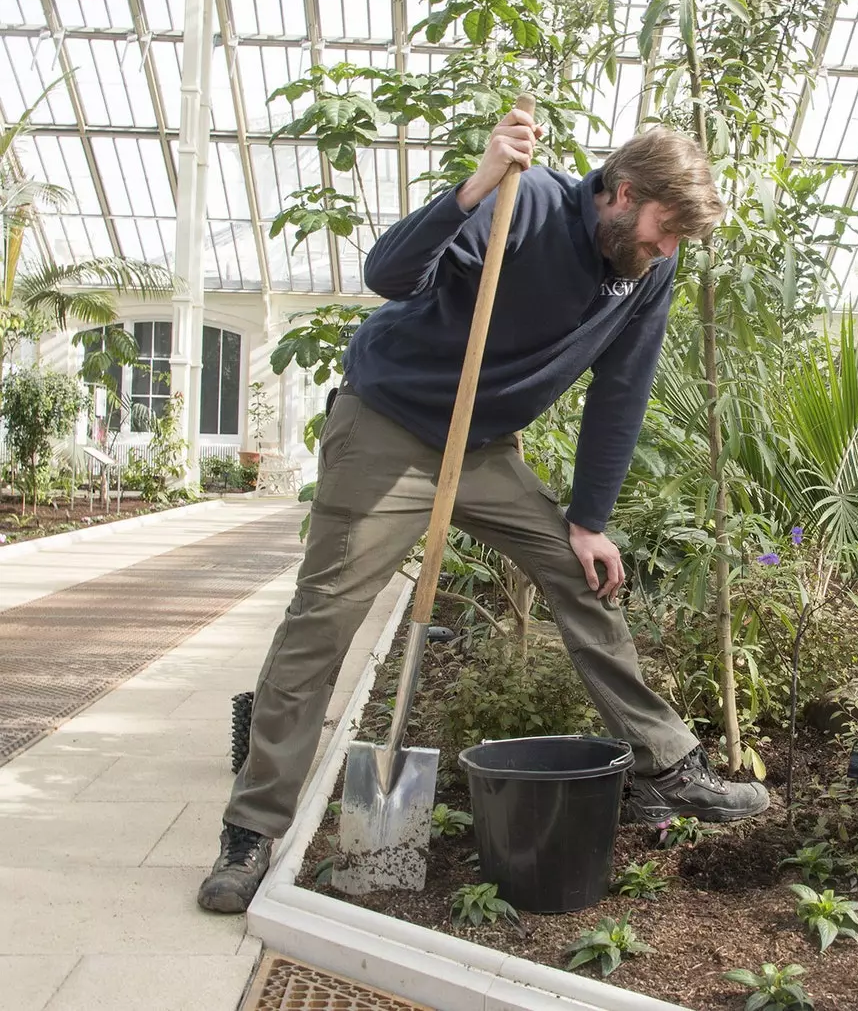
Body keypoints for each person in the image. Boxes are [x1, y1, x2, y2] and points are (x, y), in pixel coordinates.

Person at [197, 107, 769, 914]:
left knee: (582, 578)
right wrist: (473, 187)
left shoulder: (649, 271)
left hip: (486, 449)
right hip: (389, 430)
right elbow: (389, 275)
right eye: (663, 228)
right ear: (621, 191)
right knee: (324, 617)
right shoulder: (521, 201)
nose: (667, 249)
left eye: (677, 241)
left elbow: (623, 390)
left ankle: (664, 765)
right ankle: (251, 831)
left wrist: (589, 518)